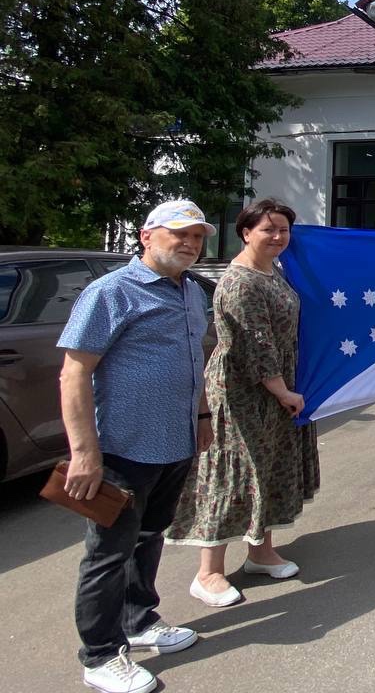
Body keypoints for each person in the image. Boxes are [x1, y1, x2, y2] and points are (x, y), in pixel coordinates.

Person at [57, 199, 216, 693]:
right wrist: (86, 453)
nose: (189, 244)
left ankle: (139, 620)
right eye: (178, 235)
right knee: (107, 554)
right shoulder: (112, 292)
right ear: (146, 236)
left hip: (174, 442)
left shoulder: (190, 292)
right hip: (122, 450)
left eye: (197, 237)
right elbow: (74, 372)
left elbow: (195, 361)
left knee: (149, 537)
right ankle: (100, 655)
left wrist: (205, 414)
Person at [166, 199, 320, 605]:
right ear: (246, 232)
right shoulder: (239, 281)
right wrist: (282, 390)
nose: (278, 237)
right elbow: (255, 344)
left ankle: (260, 551)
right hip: (241, 392)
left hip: (273, 391)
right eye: (268, 229)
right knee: (232, 475)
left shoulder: (274, 273)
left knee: (267, 468)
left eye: (284, 230)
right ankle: (209, 572)